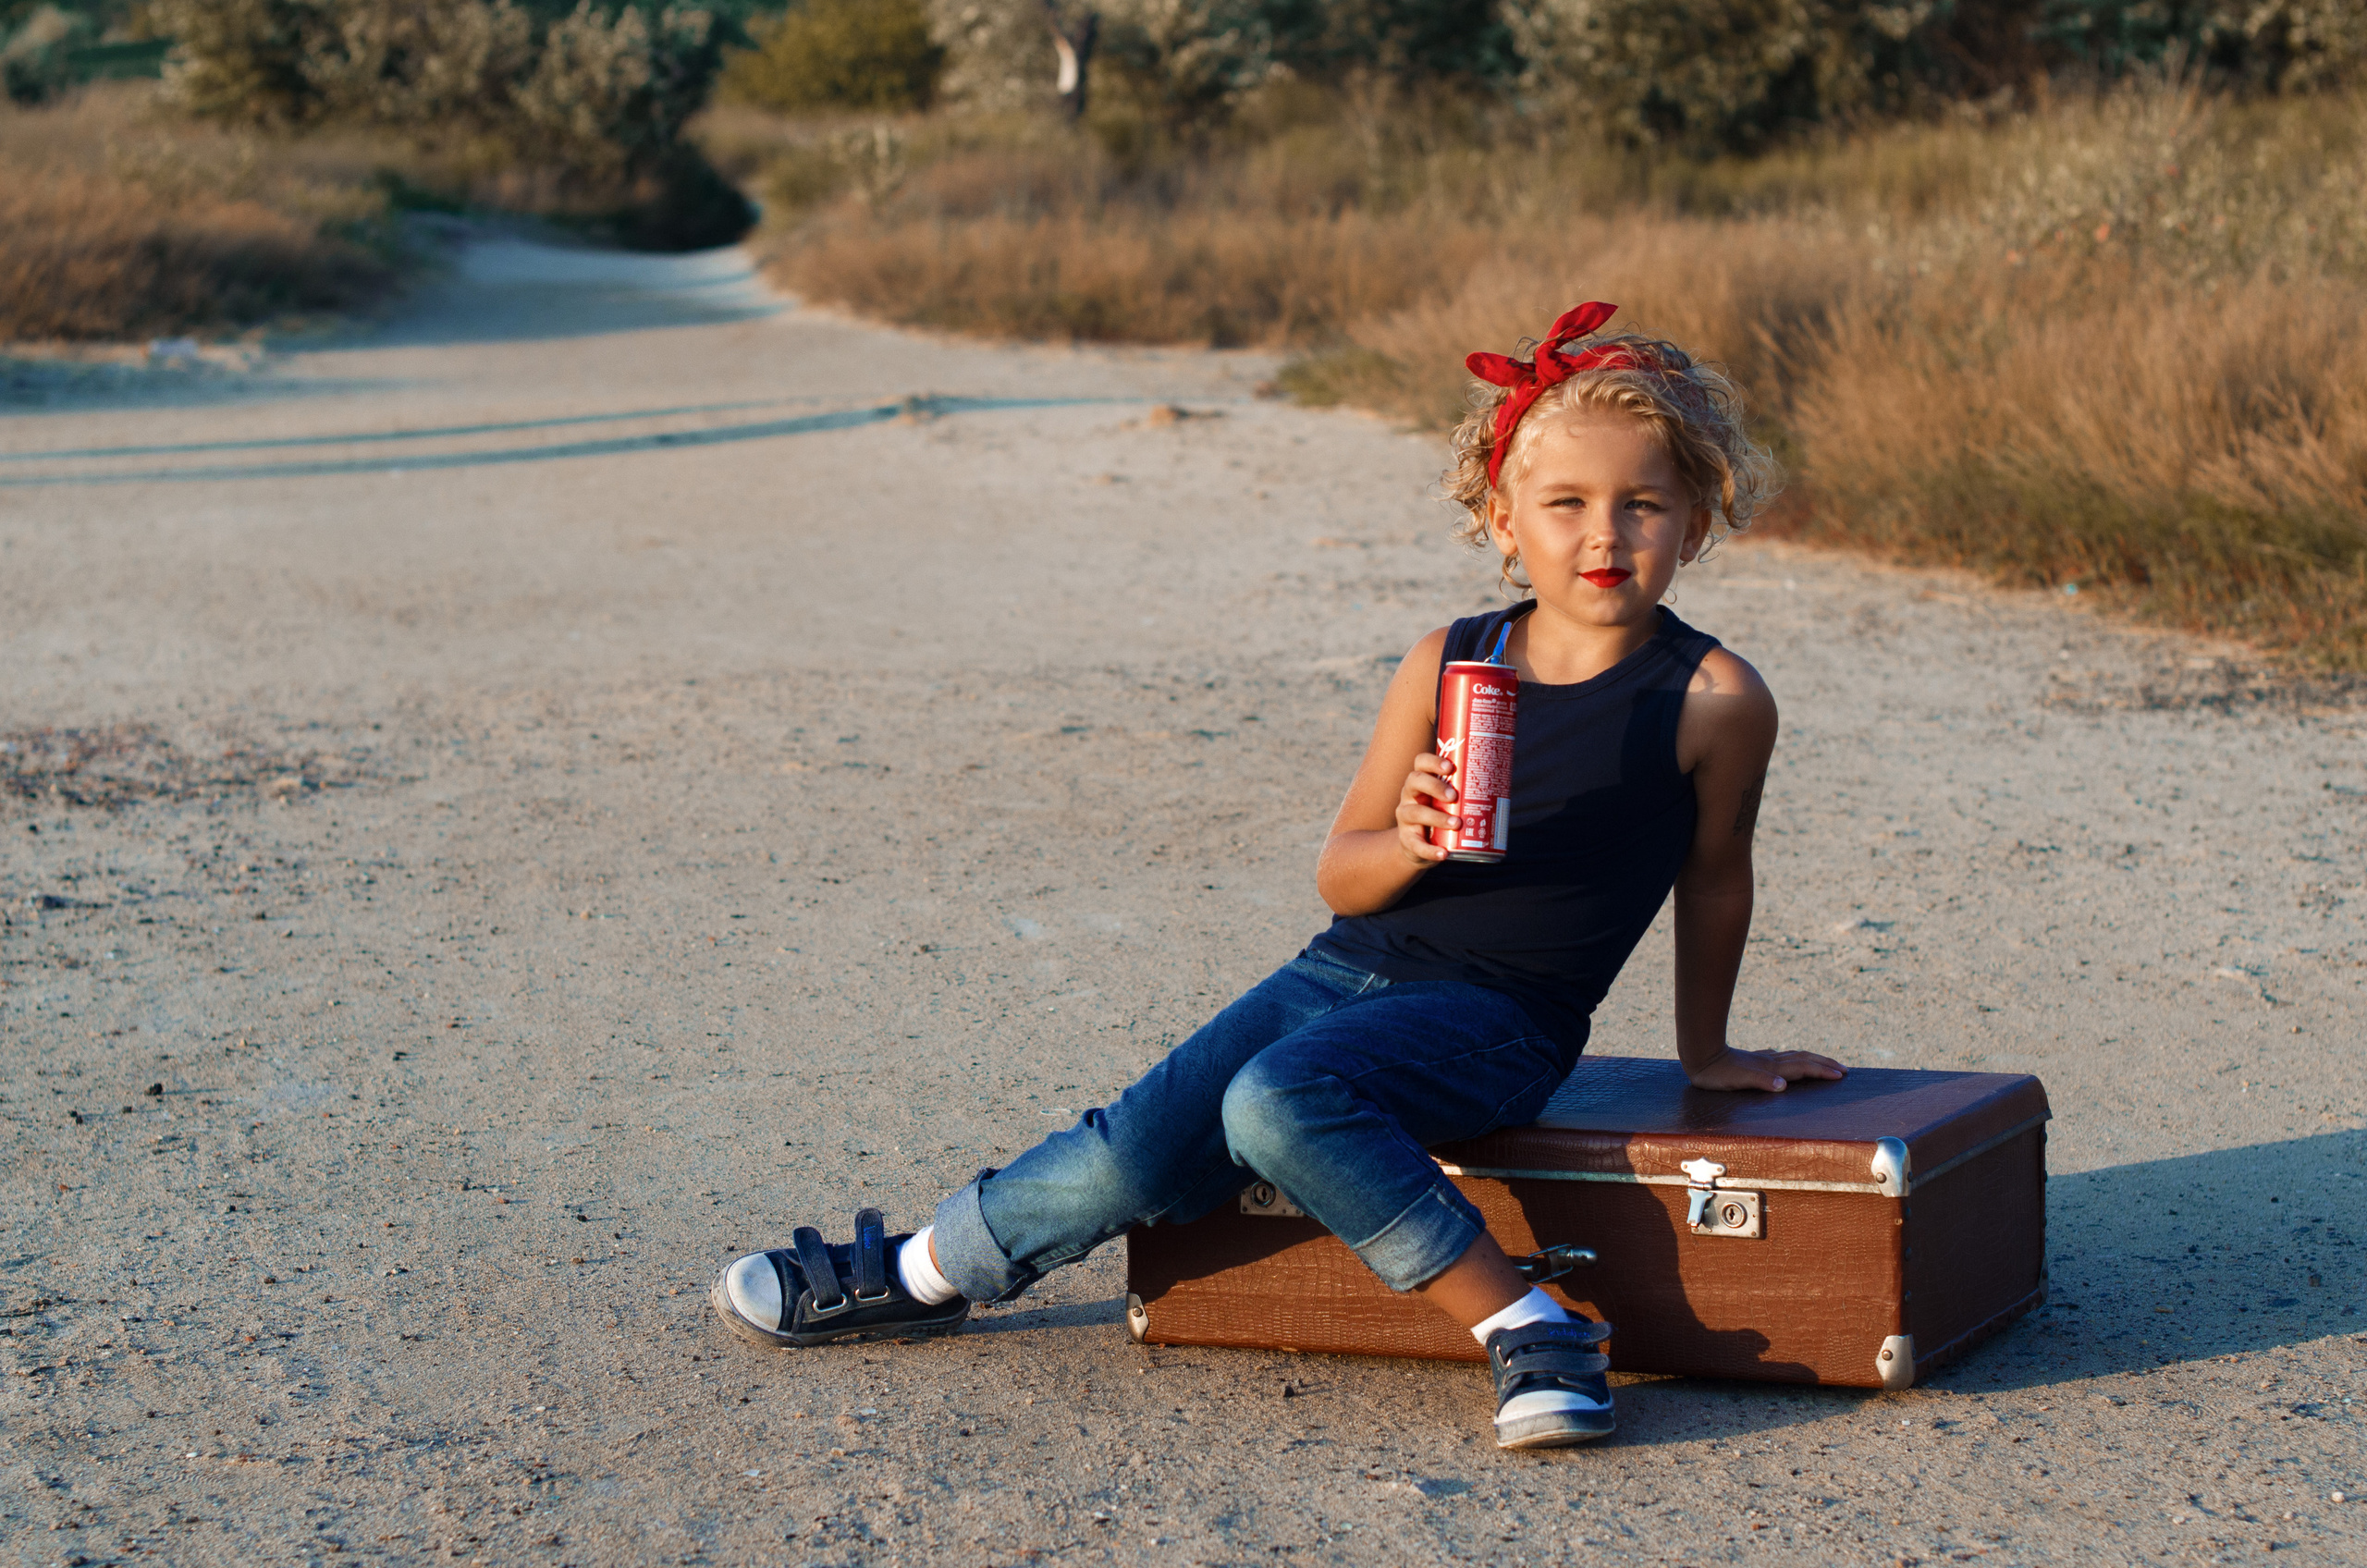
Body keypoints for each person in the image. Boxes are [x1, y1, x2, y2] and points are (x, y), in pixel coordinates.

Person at [710, 302, 1847, 1450]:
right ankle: (916, 1270)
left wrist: (1708, 1052)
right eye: (1565, 503)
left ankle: (1530, 1322)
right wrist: (1407, 841)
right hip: (1339, 974)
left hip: (1503, 1017)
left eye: (1642, 504)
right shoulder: (1450, 660)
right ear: (1504, 520)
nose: (1605, 533)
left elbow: (1714, 880)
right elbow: (1340, 883)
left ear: (1696, 523)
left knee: (1277, 1100)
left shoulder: (1711, 698)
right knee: (1135, 1148)